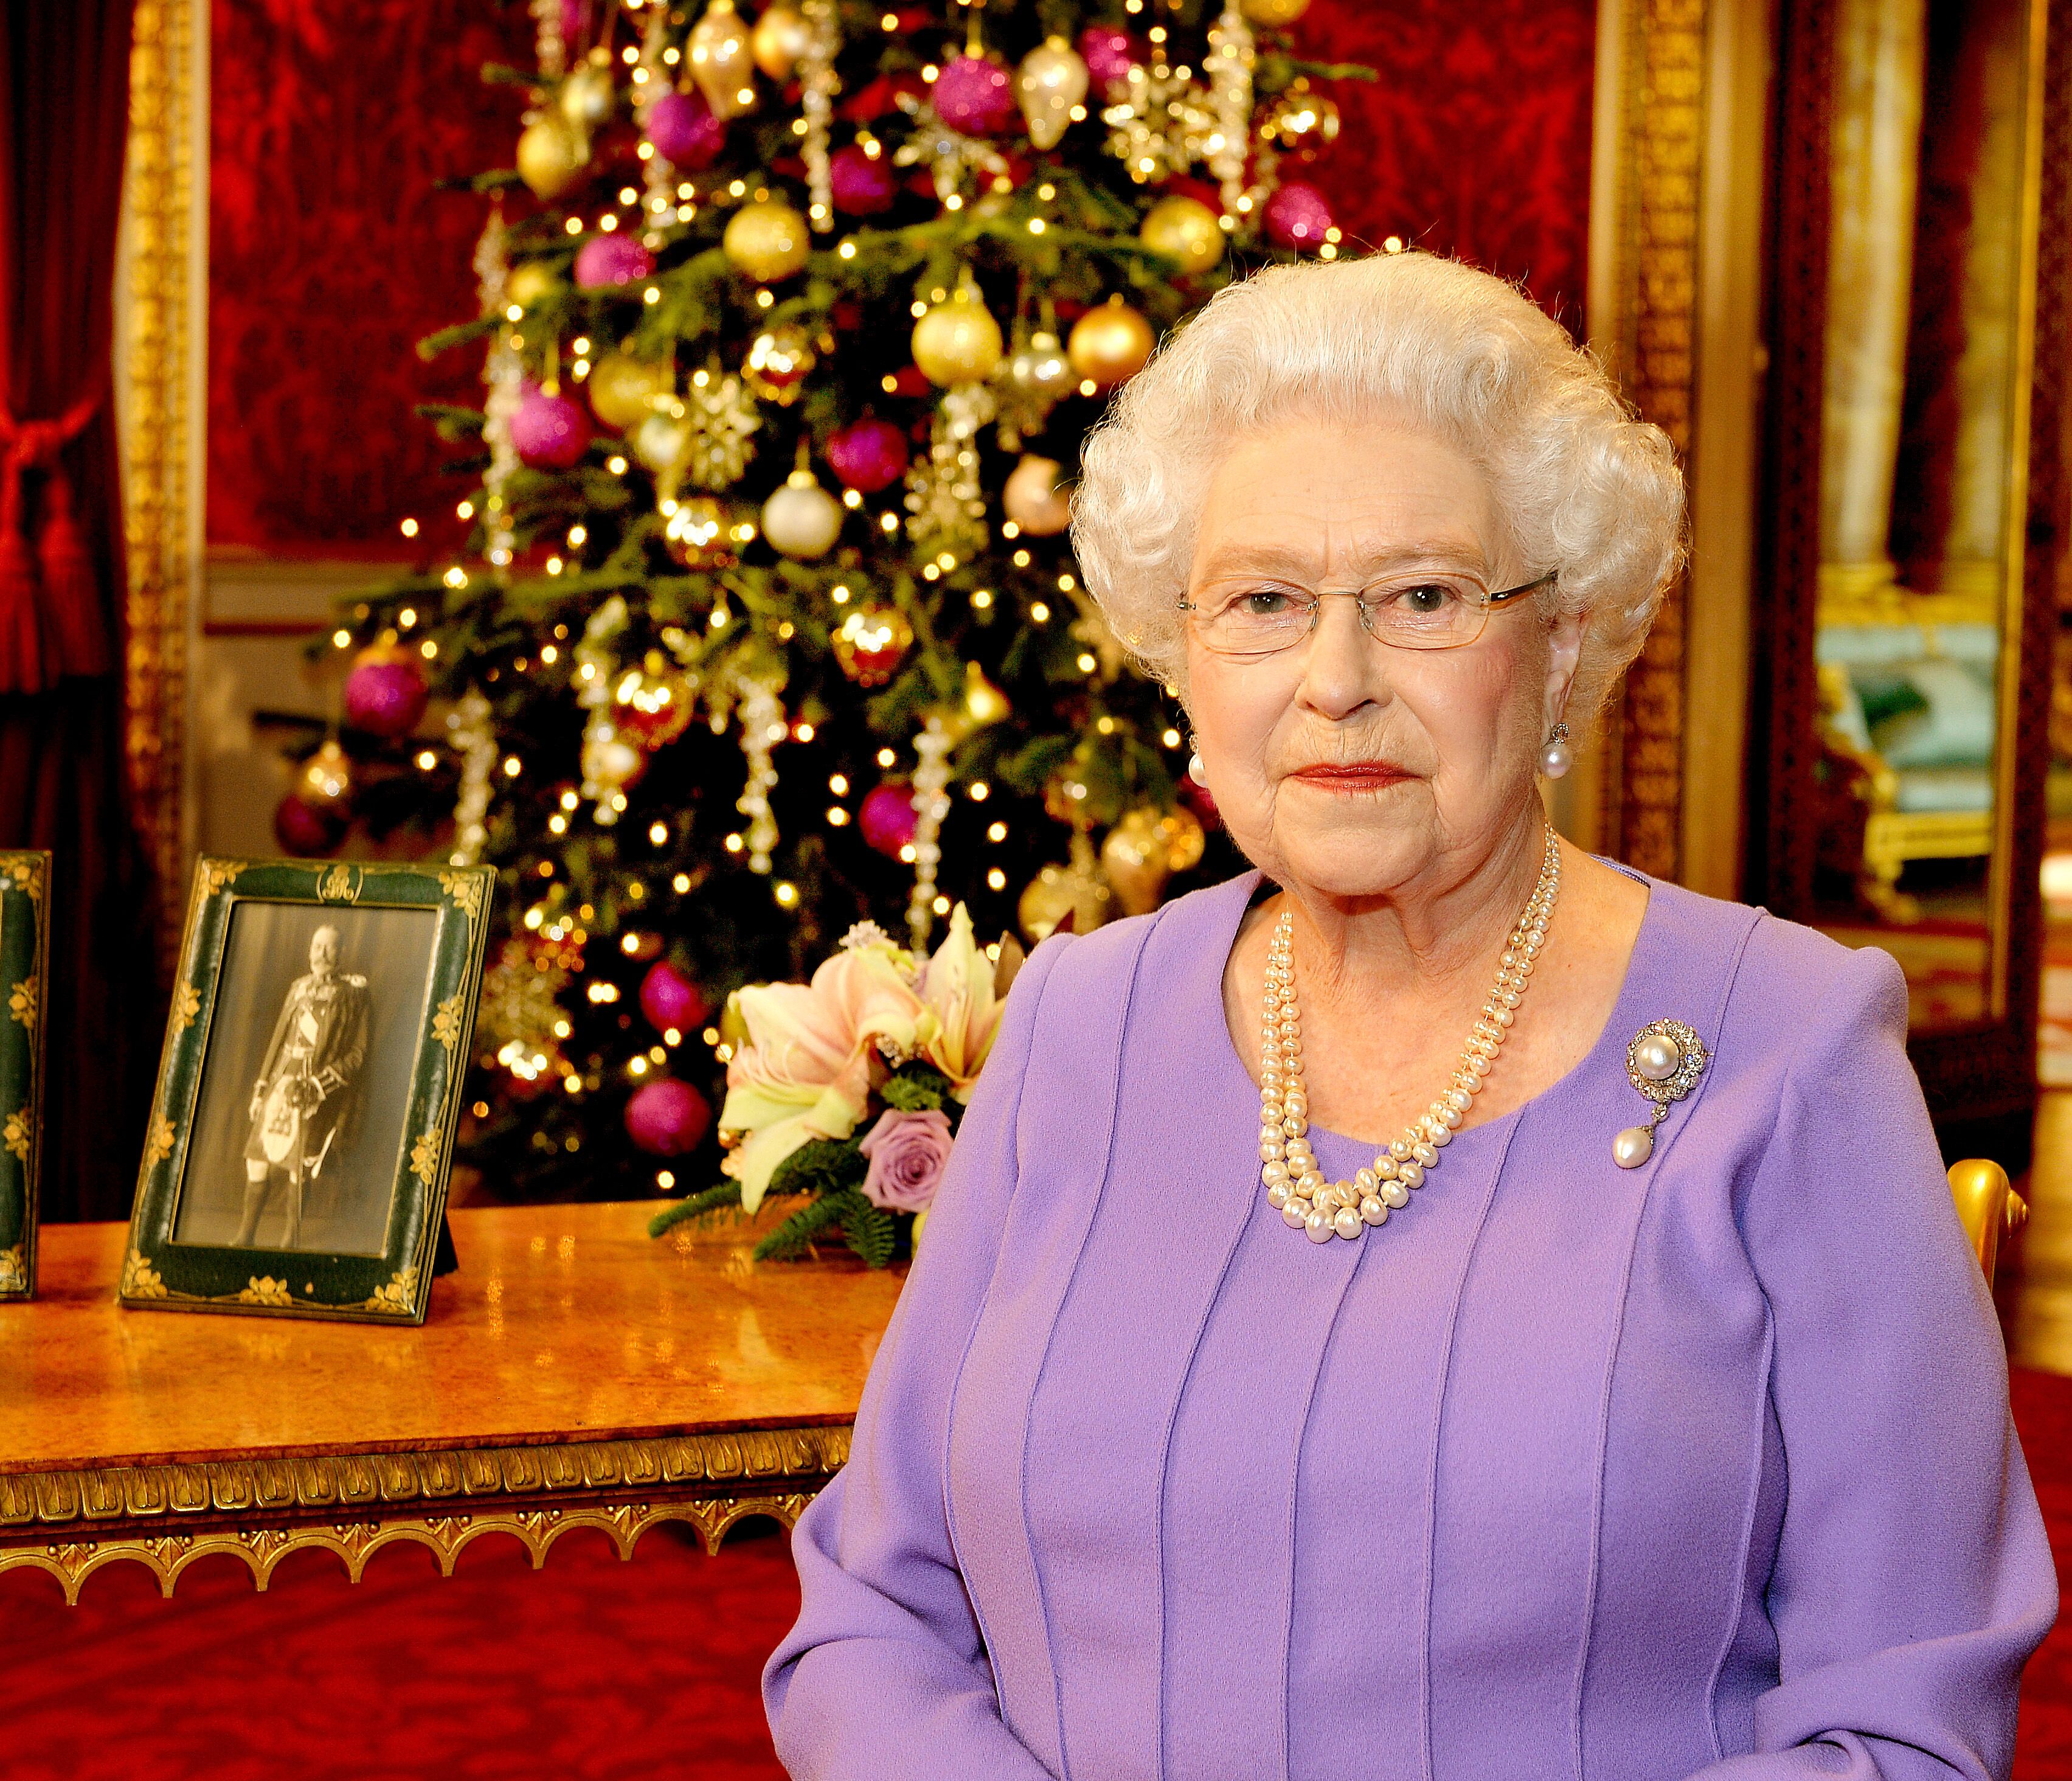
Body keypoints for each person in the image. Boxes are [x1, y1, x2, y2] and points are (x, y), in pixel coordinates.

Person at [764, 254, 2056, 1779]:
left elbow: (1898, 1731)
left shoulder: (1785, 1048)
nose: (1334, 680)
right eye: (1259, 601)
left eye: (1423, 597)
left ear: (1562, 641)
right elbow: (870, 1610)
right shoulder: (1074, 1025)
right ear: (1183, 660)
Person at [234, 925, 369, 1249]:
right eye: (316, 946)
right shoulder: (298, 988)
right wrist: (262, 1089)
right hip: (283, 1082)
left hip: (315, 1089)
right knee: (258, 1158)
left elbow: (358, 1054)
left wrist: (320, 1086)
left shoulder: (353, 995)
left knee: (299, 1167)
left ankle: (289, 1240)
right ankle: (245, 1235)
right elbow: (278, 1040)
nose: (320, 954)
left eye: (328, 948)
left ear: (342, 953)